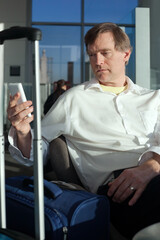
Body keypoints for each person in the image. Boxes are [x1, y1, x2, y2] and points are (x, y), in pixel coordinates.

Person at [7, 22, 160, 239]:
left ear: (126, 54)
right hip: (116, 188)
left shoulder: (154, 98)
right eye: (92, 55)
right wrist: (23, 132)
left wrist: (152, 166)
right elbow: (37, 150)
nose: (97, 61)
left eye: (105, 53)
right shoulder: (74, 99)